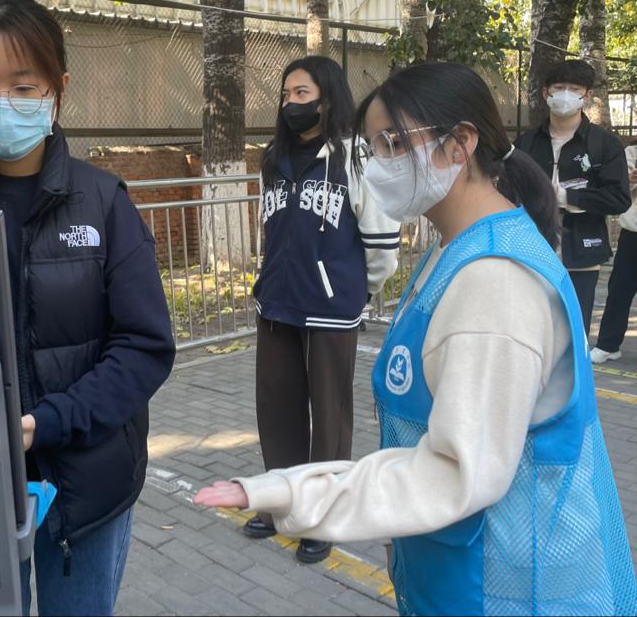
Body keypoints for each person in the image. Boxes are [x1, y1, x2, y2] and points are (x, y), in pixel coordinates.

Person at [195, 63, 637, 616]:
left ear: (461, 145)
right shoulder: (455, 251)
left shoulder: (494, 282)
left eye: (394, 144)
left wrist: (292, 494)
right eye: (375, 147)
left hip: (507, 588)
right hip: (459, 567)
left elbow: (454, 472)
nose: (380, 164)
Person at [0, 0, 175, 616]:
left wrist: (47, 423)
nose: (3, 103)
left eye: (24, 86)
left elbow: (144, 347)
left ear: (57, 89)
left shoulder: (104, 203)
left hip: (88, 483)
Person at [244, 56, 399, 564]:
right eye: (286, 94)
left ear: (327, 97)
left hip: (331, 309)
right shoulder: (274, 157)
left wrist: (355, 293)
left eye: (302, 93)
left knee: (328, 416)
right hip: (277, 304)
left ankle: (323, 514)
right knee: (278, 410)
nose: (291, 102)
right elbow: (269, 229)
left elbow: (381, 245)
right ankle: (280, 503)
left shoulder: (357, 157)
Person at [514, 60, 631, 339]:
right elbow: (508, 193)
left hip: (582, 250)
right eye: (559, 87)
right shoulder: (526, 143)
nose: (565, 94)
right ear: (546, 93)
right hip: (531, 249)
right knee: (530, 329)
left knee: (573, 331)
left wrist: (566, 196)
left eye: (574, 88)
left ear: (586, 95)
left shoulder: (604, 144)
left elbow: (618, 198)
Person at [591, 140, 637, 363]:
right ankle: (608, 344)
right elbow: (619, 190)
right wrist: (629, 180)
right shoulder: (631, 152)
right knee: (620, 289)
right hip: (633, 233)